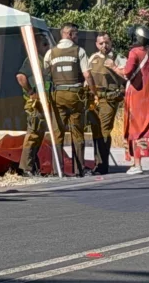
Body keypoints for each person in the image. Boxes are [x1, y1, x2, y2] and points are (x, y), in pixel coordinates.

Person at [108, 25, 149, 175]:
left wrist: (114, 67)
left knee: (136, 130)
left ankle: (137, 165)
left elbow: (127, 73)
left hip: (137, 98)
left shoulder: (134, 52)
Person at [43, 23, 99, 177]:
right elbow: (87, 74)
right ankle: (80, 169)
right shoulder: (79, 51)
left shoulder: (50, 53)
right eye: (76, 34)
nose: (77, 37)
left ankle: (57, 170)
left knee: (57, 132)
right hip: (75, 95)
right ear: (69, 34)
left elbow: (45, 73)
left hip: (57, 95)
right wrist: (94, 92)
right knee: (77, 131)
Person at [88, 32, 127, 175]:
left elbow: (127, 76)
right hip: (94, 99)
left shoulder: (119, 58)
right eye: (101, 43)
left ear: (111, 43)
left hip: (109, 99)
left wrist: (114, 67)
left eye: (107, 42)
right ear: (96, 44)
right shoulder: (93, 58)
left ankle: (102, 165)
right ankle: (98, 163)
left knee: (104, 131)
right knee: (96, 131)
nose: (104, 46)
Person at [16, 34, 52, 176]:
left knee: (39, 135)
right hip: (35, 104)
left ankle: (33, 165)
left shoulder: (44, 60)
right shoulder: (32, 60)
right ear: (36, 46)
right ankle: (26, 167)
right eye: (44, 44)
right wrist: (31, 92)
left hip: (43, 104)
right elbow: (20, 77)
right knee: (33, 134)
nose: (47, 47)